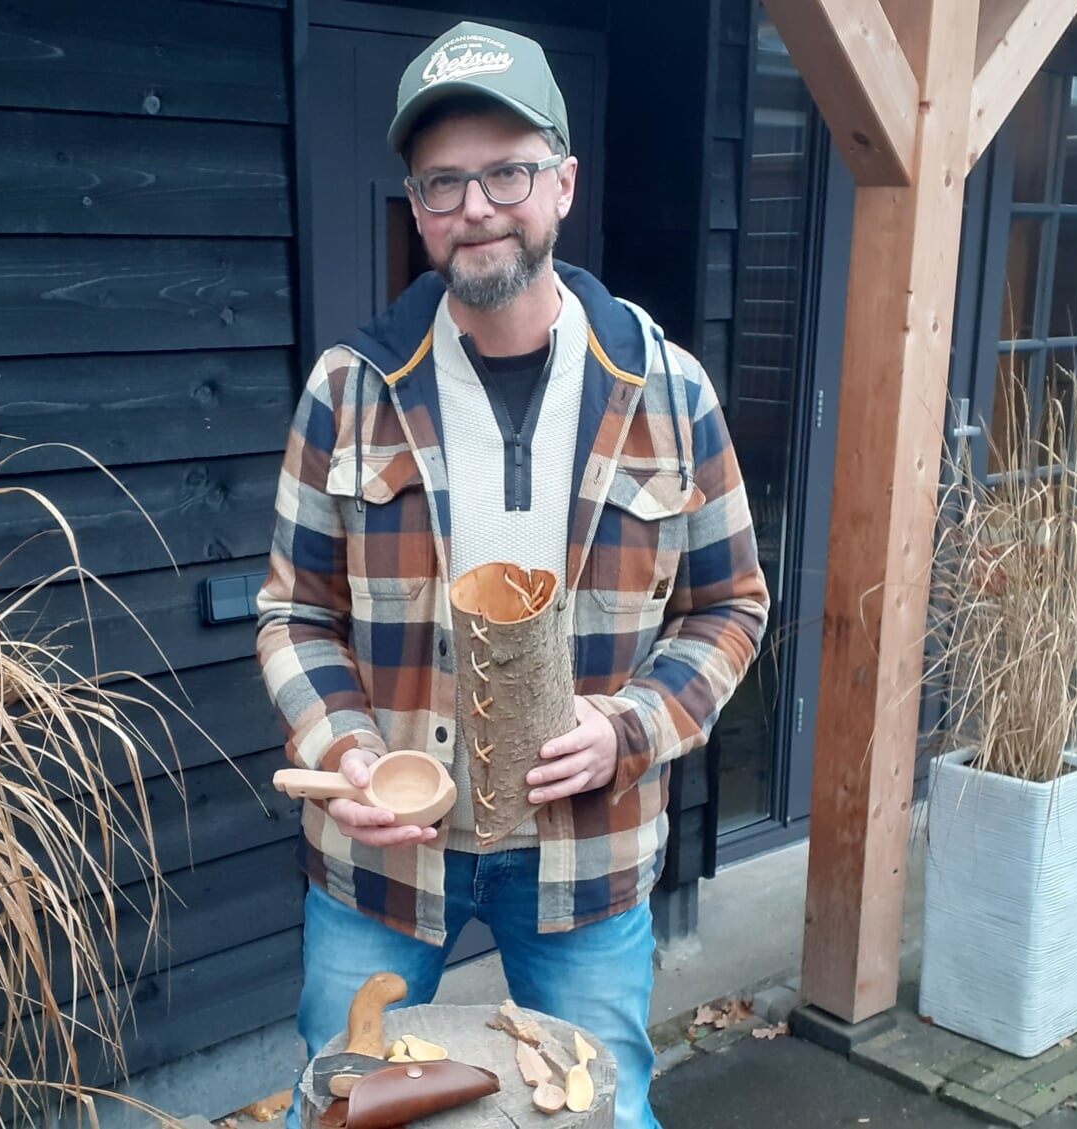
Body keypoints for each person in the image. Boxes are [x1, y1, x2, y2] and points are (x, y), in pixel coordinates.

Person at [255, 21, 769, 1129]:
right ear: (415, 204)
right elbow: (294, 613)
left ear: (563, 184)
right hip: (383, 863)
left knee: (603, 1109)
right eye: (444, 182)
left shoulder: (665, 391)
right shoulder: (349, 391)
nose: (476, 206)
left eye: (507, 171)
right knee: (342, 1108)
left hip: (585, 859)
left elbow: (730, 604)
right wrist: (345, 750)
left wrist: (631, 726)